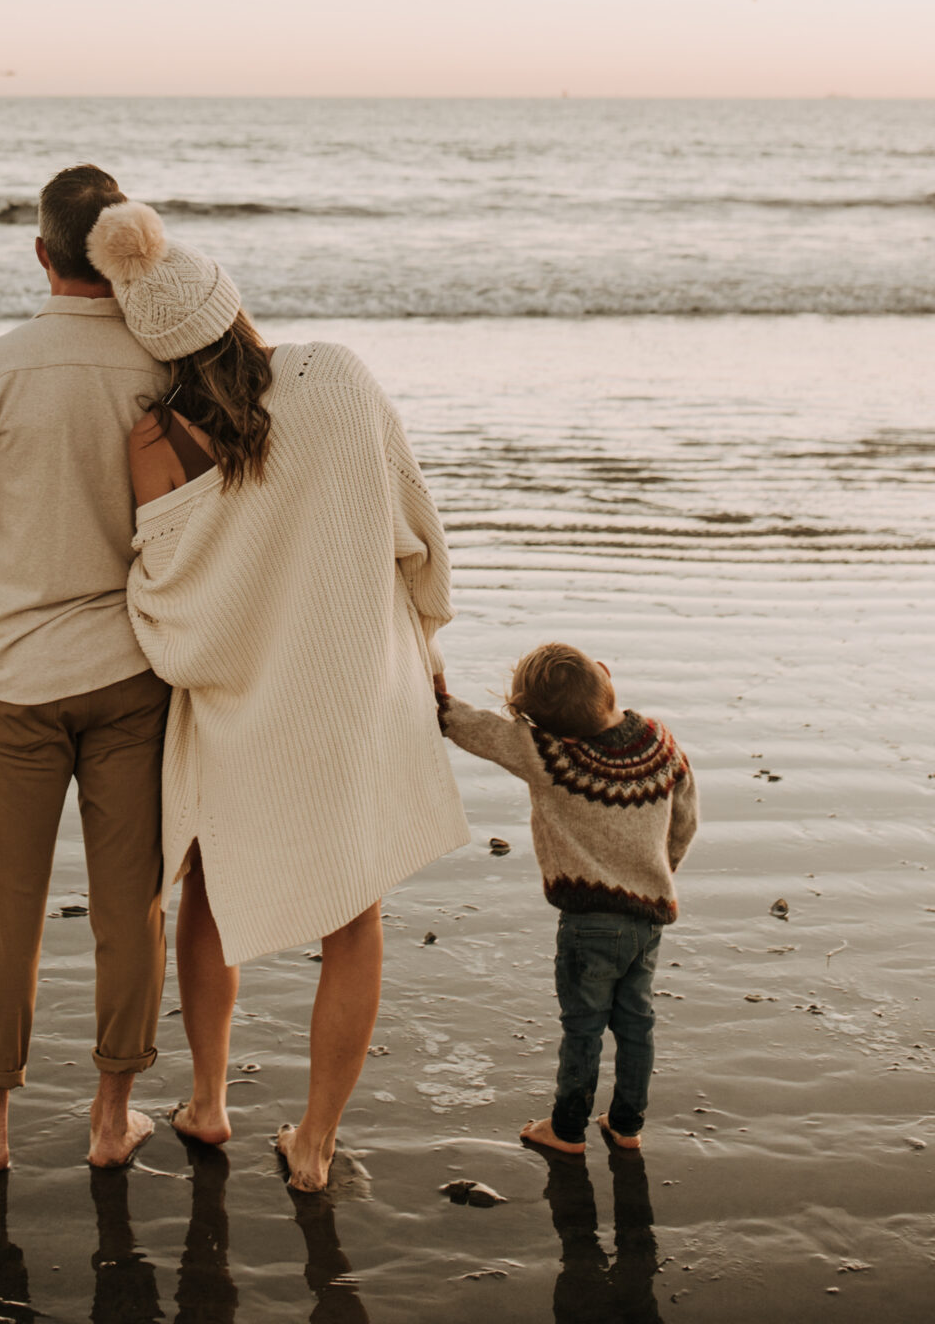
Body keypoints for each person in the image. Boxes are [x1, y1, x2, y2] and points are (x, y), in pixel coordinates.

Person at [90, 199, 470, 1193]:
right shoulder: (337, 376)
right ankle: (313, 1143)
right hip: (347, 692)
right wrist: (426, 629)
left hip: (240, 710)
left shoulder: (156, 439)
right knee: (355, 914)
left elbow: (167, 614)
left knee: (210, 890)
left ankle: (210, 1101)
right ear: (233, 304)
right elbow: (413, 516)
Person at [0, 165, 173, 1174]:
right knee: (129, 900)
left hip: (12, 675)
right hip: (135, 674)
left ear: (41, 252)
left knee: (4, 905)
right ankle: (110, 1116)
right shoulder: (162, 362)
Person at [436, 642, 697, 1156]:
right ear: (605, 675)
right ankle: (626, 1125)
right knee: (636, 1023)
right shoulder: (661, 746)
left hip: (586, 922)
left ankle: (568, 1129)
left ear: (541, 724)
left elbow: (481, 730)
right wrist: (660, 872)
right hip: (648, 917)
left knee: (583, 1028)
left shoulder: (549, 755)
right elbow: (685, 820)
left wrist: (437, 699)